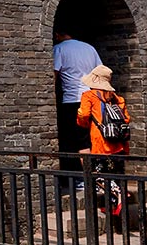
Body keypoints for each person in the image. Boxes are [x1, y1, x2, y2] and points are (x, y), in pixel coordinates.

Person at [77, 64, 130, 216]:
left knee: (98, 174)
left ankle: (120, 197)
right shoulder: (117, 98)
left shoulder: (89, 96)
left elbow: (83, 116)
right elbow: (126, 119)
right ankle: (112, 204)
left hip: (101, 144)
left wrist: (82, 120)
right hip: (118, 144)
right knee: (116, 173)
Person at [53, 29, 101, 183]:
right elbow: (100, 73)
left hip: (72, 100)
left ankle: (86, 179)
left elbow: (54, 74)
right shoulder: (89, 48)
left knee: (75, 141)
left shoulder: (59, 49)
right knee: (89, 138)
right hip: (91, 99)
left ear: (57, 34)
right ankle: (95, 176)